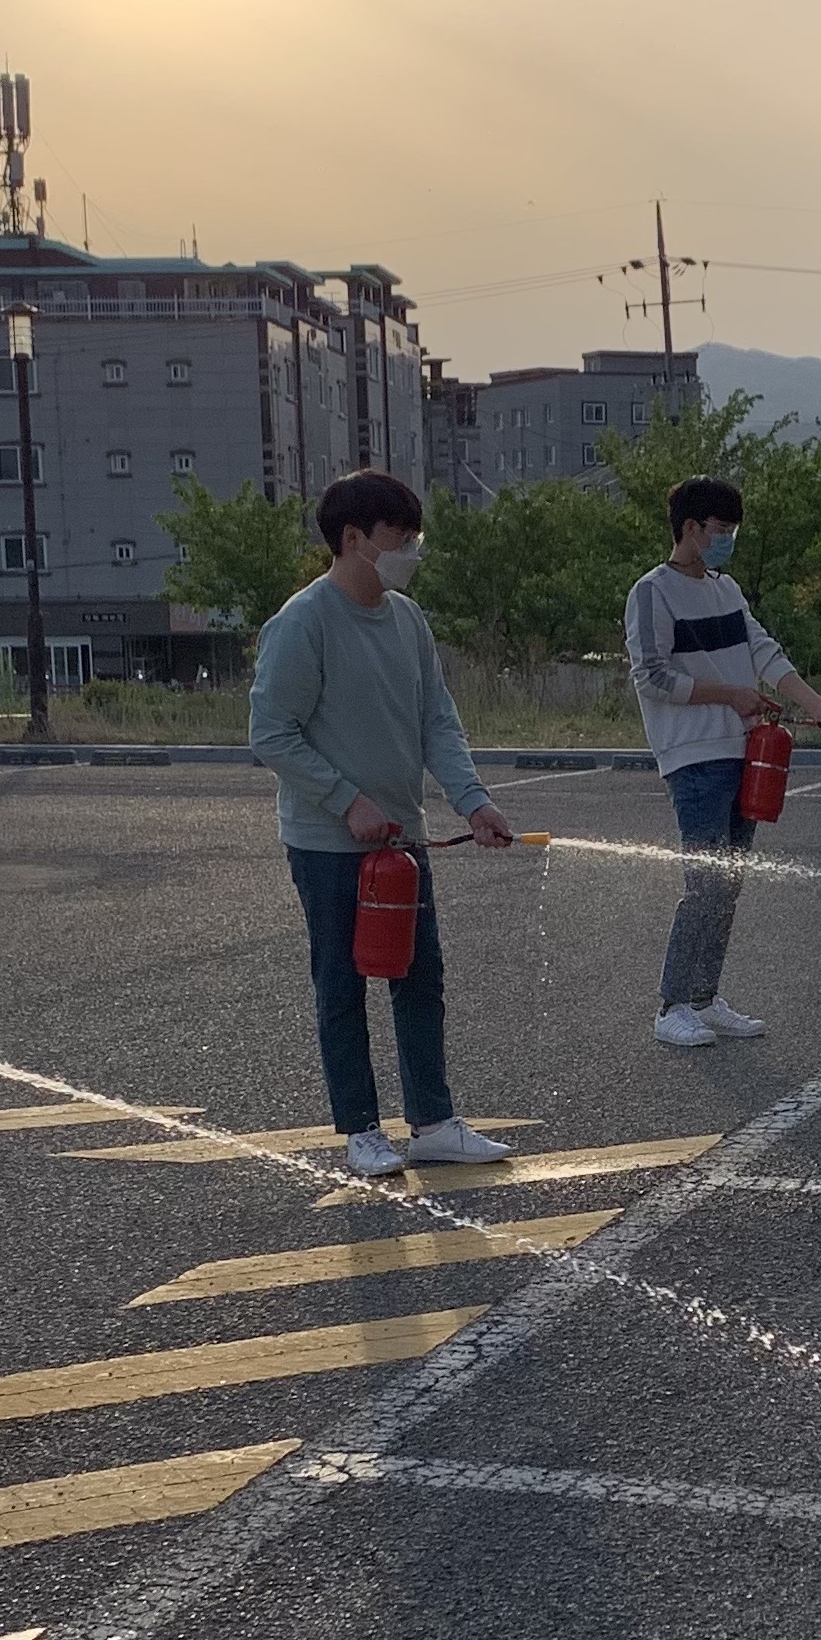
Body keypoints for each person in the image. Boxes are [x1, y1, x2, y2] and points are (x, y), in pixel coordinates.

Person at [250, 469, 518, 1180]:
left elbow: (437, 721)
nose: (411, 553)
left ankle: (432, 1122)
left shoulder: (407, 620)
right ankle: (361, 1131)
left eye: (413, 539)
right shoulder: (303, 622)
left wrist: (473, 801)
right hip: (328, 845)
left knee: (419, 977)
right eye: (400, 539)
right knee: (343, 984)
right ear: (353, 539)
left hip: (403, 841)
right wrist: (347, 801)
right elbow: (271, 733)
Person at [622, 474, 821, 1047]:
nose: (727, 540)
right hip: (693, 758)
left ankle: (705, 997)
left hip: (745, 753)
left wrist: (817, 705)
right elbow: (652, 678)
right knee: (705, 883)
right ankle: (673, 1005)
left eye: (732, 531)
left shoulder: (726, 590)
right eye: (720, 529)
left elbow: (764, 652)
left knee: (728, 884)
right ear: (691, 528)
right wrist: (730, 695)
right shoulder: (651, 592)